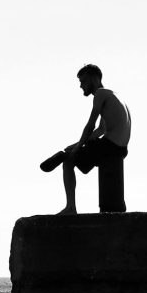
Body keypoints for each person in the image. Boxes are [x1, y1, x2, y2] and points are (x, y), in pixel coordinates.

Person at [40, 64, 132, 214]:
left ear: (94, 78)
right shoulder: (113, 95)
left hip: (110, 146)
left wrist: (77, 149)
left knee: (68, 160)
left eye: (83, 81)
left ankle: (71, 207)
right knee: (75, 149)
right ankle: (66, 151)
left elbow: (90, 126)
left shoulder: (100, 94)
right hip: (118, 147)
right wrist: (77, 144)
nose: (81, 86)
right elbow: (101, 130)